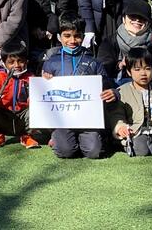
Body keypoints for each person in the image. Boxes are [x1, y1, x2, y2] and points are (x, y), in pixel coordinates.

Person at [41, 19, 122, 159]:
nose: (72, 40)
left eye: (77, 36)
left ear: (83, 37)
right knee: (65, 151)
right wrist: (44, 83)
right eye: (67, 35)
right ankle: (60, 139)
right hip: (63, 120)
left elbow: (107, 86)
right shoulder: (51, 63)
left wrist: (113, 93)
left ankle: (84, 139)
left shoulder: (94, 62)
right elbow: (43, 97)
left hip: (88, 119)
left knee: (94, 152)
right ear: (60, 37)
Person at [0, 43, 35, 149]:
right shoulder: (0, 76)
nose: (17, 65)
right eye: (11, 62)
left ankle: (27, 136)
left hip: (22, 118)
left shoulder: (30, 77)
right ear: (4, 63)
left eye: (20, 61)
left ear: (26, 61)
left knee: (36, 108)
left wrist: (31, 101)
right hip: (4, 116)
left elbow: (37, 98)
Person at [96, 0, 152, 85]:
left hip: (143, 89)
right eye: (133, 17)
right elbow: (102, 70)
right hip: (113, 88)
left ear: (148, 23)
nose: (137, 20)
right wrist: (120, 65)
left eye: (142, 18)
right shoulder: (109, 43)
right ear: (124, 19)